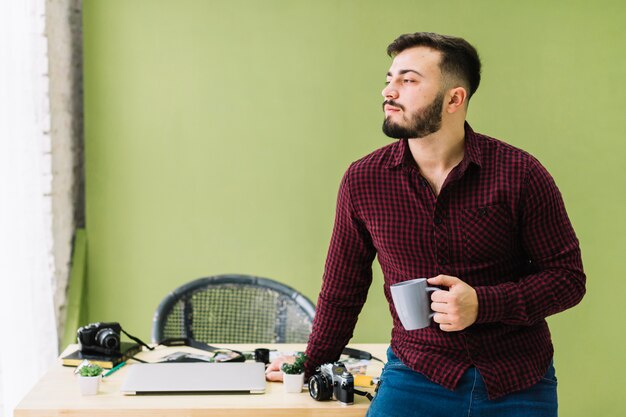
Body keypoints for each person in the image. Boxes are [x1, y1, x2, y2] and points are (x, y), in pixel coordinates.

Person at [266, 32, 585, 416]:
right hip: (416, 375)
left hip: (517, 379)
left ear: (455, 98)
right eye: (389, 78)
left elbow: (568, 278)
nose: (390, 91)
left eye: (409, 80)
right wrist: (310, 362)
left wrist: (483, 304)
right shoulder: (364, 180)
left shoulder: (520, 173)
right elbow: (343, 287)